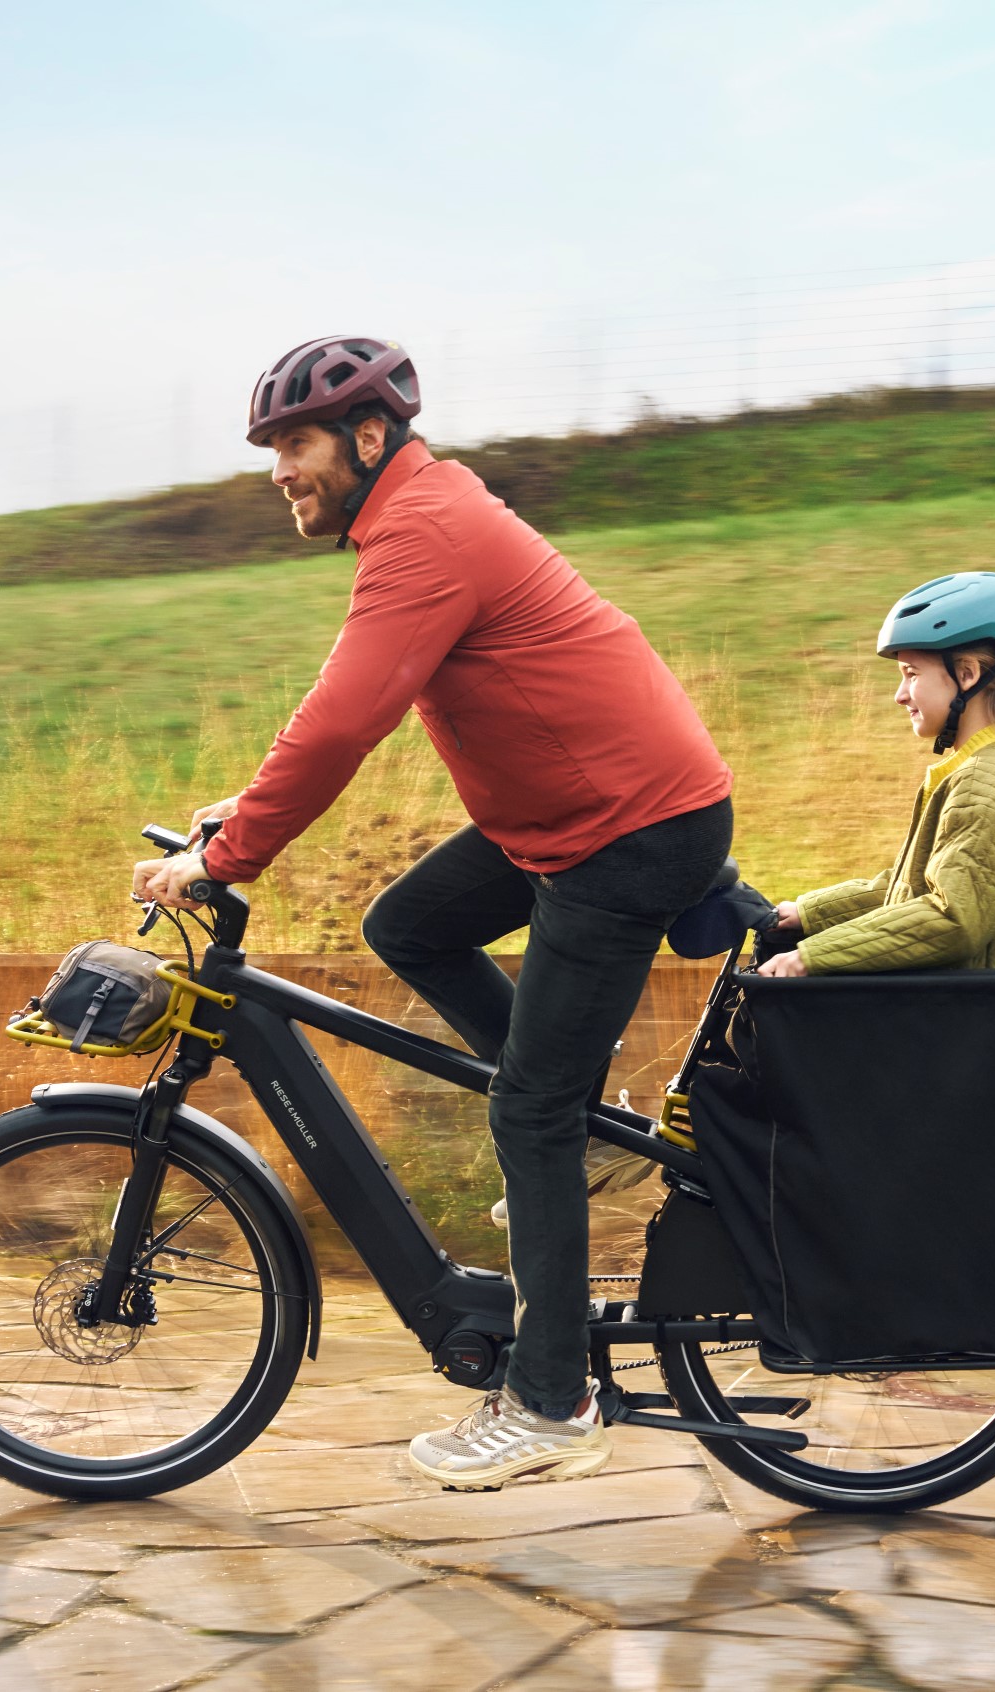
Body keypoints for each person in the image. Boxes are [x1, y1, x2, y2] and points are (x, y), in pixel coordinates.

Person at [132, 336, 733, 1490]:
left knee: (528, 1110)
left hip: (626, 830)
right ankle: (590, 1136)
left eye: (295, 444)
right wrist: (242, 813)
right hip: (575, 817)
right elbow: (355, 706)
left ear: (370, 437)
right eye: (270, 449)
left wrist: (232, 856)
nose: (278, 472)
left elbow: (344, 719)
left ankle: (553, 1398)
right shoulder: (421, 516)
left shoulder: (425, 529)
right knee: (409, 926)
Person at [758, 572, 995, 976]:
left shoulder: (987, 787)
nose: (900, 695)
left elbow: (951, 918)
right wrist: (809, 912)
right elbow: (913, 889)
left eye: (912, 673)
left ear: (967, 674)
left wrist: (810, 957)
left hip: (984, 1012)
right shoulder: (982, 770)